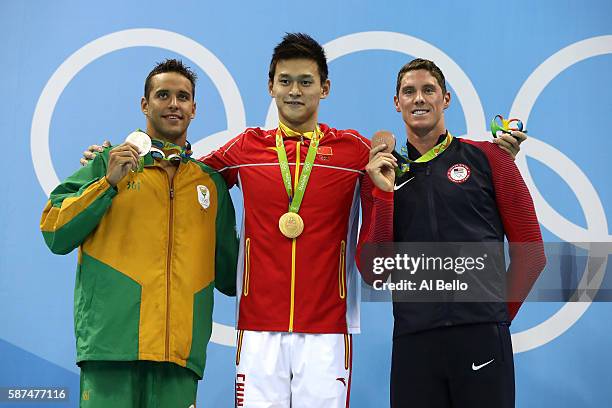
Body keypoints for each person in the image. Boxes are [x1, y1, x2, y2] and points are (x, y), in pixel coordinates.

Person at [81, 38, 524, 408]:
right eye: (286, 81)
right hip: (257, 327)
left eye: (306, 82)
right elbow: (182, 172)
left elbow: (418, 172)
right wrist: (118, 156)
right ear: (270, 87)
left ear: (325, 88)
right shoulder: (246, 148)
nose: (296, 91)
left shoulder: (353, 151)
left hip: (328, 329)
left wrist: (490, 153)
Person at [40, 59, 238, 408]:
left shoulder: (210, 185)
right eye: (163, 95)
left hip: (178, 358)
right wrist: (106, 184)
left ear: (194, 108)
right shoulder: (108, 163)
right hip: (112, 351)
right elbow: (55, 232)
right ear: (145, 105)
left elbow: (232, 275)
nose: (173, 103)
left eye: (183, 96)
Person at [358, 58, 546, 408]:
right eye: (409, 92)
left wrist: (492, 318)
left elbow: (532, 253)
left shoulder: (491, 158)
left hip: (483, 339)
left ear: (446, 99)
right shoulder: (384, 173)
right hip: (415, 345)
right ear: (396, 103)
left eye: (428, 90)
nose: (419, 99)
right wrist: (383, 193)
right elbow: (374, 273)